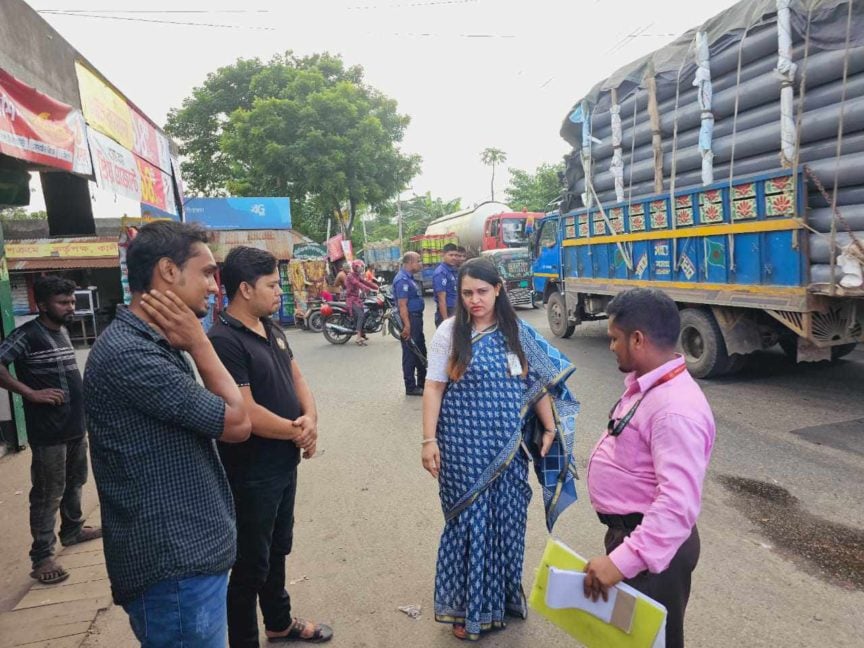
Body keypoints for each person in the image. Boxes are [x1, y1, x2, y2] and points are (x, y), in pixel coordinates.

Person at [84, 221, 252, 647]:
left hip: (186, 560)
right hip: (174, 567)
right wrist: (200, 343)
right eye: (207, 273)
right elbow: (237, 423)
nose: (215, 288)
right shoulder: (131, 354)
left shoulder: (152, 342)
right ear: (168, 271)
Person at [421, 257, 580, 641]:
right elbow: (434, 387)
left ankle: (501, 600)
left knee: (506, 523)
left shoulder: (515, 332)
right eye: (467, 293)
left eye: (482, 292)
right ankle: (465, 609)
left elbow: (535, 383)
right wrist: (428, 441)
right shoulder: (449, 333)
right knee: (469, 526)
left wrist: (547, 426)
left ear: (498, 290)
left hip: (508, 450)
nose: (475, 300)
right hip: (461, 449)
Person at [209, 247, 333, 647]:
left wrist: (310, 420)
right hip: (250, 473)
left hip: (282, 463)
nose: (280, 292)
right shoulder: (224, 340)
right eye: (272, 285)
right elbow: (245, 410)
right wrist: (297, 432)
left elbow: (298, 381)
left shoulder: (272, 329)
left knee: (277, 549)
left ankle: (279, 622)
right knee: (249, 564)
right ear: (244, 288)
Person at [583, 288, 715, 648]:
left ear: (637, 339)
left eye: (614, 338)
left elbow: (676, 505)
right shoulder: (650, 387)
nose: (611, 347)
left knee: (651, 643)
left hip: (654, 551)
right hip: (637, 538)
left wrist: (624, 561)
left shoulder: (674, 409)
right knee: (625, 640)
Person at [0, 276, 101, 585]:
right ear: (42, 305)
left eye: (71, 301)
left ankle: (72, 529)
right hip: (48, 430)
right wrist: (29, 393)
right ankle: (42, 556)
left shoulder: (64, 332)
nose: (70, 307)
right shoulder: (27, 335)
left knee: (75, 481)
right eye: (63, 302)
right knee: (47, 492)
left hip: (73, 424)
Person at [393, 251, 427, 396]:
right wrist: (407, 326)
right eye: (418, 261)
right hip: (410, 319)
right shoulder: (402, 280)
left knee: (420, 351)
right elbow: (402, 305)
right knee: (410, 353)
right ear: (410, 262)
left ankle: (422, 383)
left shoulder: (410, 278)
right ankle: (411, 387)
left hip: (416, 318)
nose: (421, 263)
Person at [344, 259, 378, 346]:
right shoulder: (350, 276)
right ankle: (358, 337)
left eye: (361, 267)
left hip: (357, 298)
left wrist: (376, 287)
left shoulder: (357, 275)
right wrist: (367, 289)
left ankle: (362, 333)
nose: (361, 268)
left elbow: (365, 282)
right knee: (361, 315)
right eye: (359, 267)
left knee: (365, 312)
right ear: (355, 267)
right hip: (351, 299)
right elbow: (357, 284)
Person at [432, 243, 459, 327]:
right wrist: (445, 321)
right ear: (443, 255)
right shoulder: (441, 273)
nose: (454, 257)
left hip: (455, 309)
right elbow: (441, 299)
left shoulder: (452, 270)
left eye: (455, 255)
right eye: (450, 255)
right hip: (447, 310)